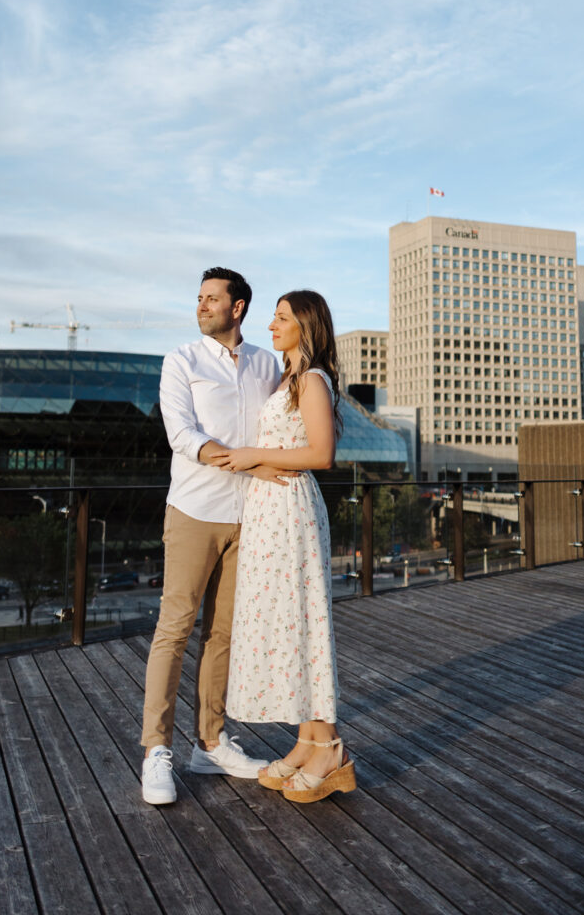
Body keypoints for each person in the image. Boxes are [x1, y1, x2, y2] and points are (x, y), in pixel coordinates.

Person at [140, 267, 289, 805]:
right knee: (174, 629)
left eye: (211, 299)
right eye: (198, 298)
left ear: (238, 307)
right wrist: (245, 464)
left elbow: (282, 428)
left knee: (223, 635)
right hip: (195, 511)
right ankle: (156, 750)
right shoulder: (182, 359)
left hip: (252, 518)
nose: (201, 306)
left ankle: (210, 742)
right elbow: (181, 433)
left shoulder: (266, 364)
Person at [211, 290, 356, 804]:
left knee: (303, 621)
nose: (271, 325)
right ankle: (308, 741)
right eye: (272, 316)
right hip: (271, 513)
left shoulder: (312, 379)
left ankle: (330, 748)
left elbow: (321, 453)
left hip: (291, 510)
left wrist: (251, 453)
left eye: (281, 318)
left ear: (306, 326)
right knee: (288, 625)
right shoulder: (288, 379)